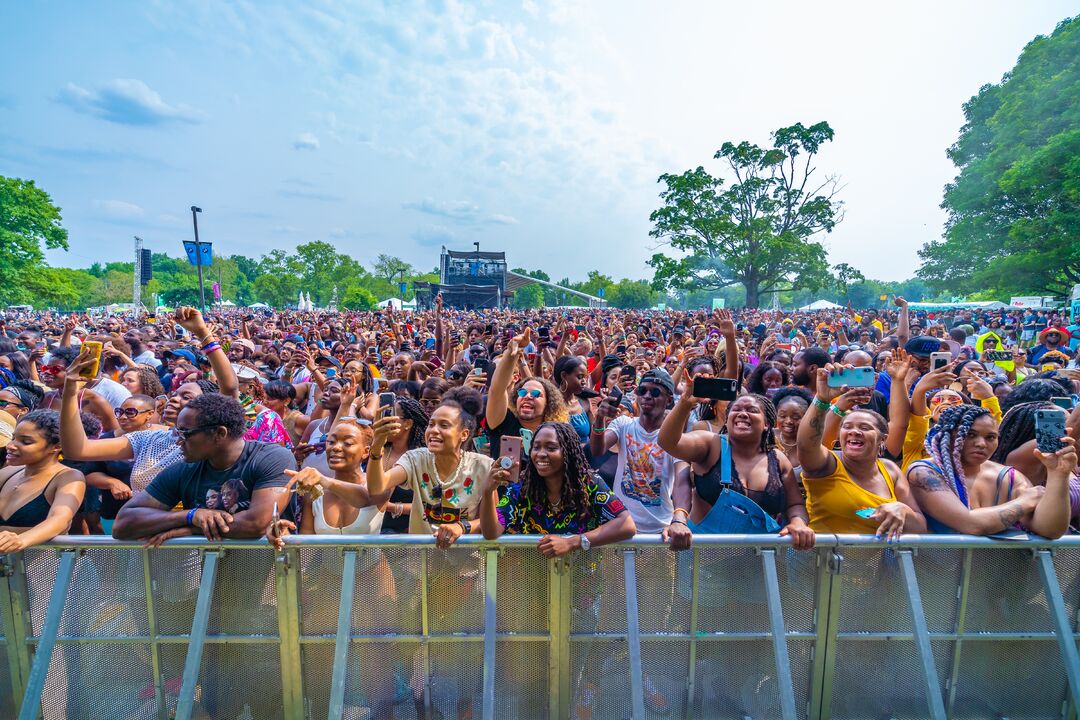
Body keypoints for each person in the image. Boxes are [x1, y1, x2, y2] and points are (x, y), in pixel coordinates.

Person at [112, 393, 293, 543]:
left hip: (274, 573)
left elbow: (256, 523)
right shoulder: (185, 468)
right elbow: (123, 525)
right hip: (210, 576)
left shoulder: (272, 458)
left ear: (219, 433)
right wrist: (190, 516)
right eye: (177, 432)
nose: (178, 440)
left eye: (185, 433)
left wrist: (190, 529)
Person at [658, 390, 815, 549]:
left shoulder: (778, 460)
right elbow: (668, 442)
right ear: (727, 421)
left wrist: (798, 522)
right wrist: (685, 403)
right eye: (736, 409)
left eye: (752, 410)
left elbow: (795, 504)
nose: (743, 414)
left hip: (760, 560)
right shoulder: (710, 444)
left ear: (767, 424)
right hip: (703, 558)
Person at [797, 365, 927, 540]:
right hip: (823, 563)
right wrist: (821, 399)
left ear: (882, 439)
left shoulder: (889, 470)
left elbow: (920, 527)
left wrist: (902, 510)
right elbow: (806, 445)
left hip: (875, 565)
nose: (854, 431)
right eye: (847, 427)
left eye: (865, 428)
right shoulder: (827, 463)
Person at [907, 404, 1074, 538]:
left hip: (997, 575)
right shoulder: (924, 473)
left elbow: (1050, 530)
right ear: (946, 436)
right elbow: (971, 524)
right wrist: (1026, 501)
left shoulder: (1008, 476)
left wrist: (1058, 474)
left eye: (990, 437)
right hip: (937, 576)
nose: (981, 443)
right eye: (970, 434)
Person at [479, 421, 636, 554]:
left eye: (551, 448)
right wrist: (488, 492)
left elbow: (626, 525)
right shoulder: (522, 488)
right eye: (536, 447)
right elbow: (492, 532)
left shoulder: (589, 484)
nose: (540, 454)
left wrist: (573, 542)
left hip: (583, 582)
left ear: (567, 452)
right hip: (534, 580)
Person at [366, 389, 492, 548]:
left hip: (466, 566)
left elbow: (495, 521)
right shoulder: (415, 459)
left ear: (464, 434)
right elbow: (377, 487)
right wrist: (377, 446)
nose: (434, 430)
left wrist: (462, 527)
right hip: (420, 563)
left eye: (444, 425)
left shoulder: (484, 466)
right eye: (431, 424)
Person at [591, 368, 692, 550]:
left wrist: (680, 518)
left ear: (669, 399)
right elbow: (597, 449)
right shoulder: (624, 424)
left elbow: (682, 482)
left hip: (660, 533)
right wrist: (599, 418)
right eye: (642, 390)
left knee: (658, 580)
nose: (647, 396)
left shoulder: (673, 438)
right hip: (619, 529)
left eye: (655, 392)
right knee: (614, 580)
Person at [0, 410, 86, 551]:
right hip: (7, 570)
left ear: (56, 446)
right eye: (13, 438)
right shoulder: (7, 473)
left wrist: (20, 540)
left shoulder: (68, 477)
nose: (11, 445)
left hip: (47, 569)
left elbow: (58, 520)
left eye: (26, 442)